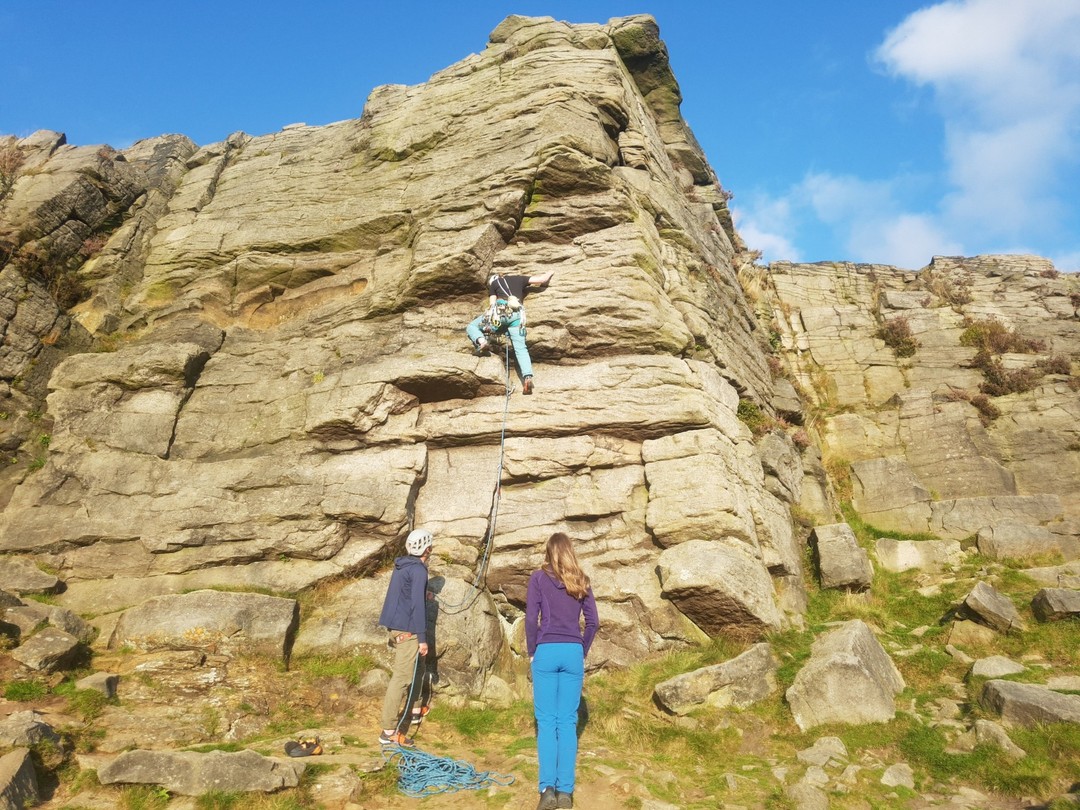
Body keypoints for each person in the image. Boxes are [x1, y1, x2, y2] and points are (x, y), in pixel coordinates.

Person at [525, 532, 599, 810]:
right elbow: (593, 622)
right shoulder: (582, 580)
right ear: (570, 552)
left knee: (546, 722)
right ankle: (566, 792)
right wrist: (582, 649)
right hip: (572, 652)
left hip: (546, 650)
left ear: (548, 552)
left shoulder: (538, 578)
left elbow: (531, 619)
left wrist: (532, 650)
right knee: (567, 722)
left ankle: (547, 791)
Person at [377, 528, 433, 746]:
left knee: (419, 667)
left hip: (398, 625)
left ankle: (415, 709)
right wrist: (422, 638)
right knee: (401, 678)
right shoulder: (418, 570)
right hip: (408, 629)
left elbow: (406, 594)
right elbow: (417, 606)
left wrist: (424, 593)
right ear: (427, 549)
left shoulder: (403, 565)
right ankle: (388, 730)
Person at [466, 269, 553, 395]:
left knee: (472, 326)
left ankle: (482, 341)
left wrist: (493, 325)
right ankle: (528, 377)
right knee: (521, 348)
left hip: (500, 313)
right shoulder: (519, 279)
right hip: (517, 316)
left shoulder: (494, 284)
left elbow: (492, 306)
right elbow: (542, 280)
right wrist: (550, 272)